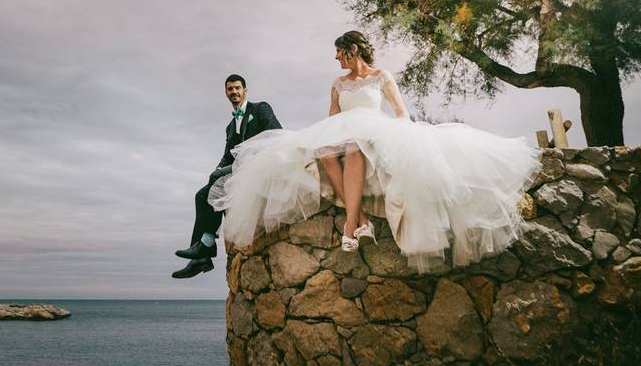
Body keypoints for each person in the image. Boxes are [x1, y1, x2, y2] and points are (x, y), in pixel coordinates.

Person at [212, 31, 542, 272]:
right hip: (344, 130)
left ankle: (350, 225)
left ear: (352, 50)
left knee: (356, 148)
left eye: (339, 52)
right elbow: (333, 117)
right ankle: (362, 221)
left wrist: (397, 133)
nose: (336, 58)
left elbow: (401, 112)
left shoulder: (382, 77)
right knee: (326, 151)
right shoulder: (338, 83)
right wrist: (329, 133)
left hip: (373, 129)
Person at [171, 74, 281, 279]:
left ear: (245, 90)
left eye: (237, 88)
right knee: (202, 195)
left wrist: (245, 160)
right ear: (226, 93)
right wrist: (218, 169)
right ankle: (201, 254)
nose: (234, 92)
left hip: (261, 167)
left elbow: (276, 135)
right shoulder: (230, 126)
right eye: (230, 89)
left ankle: (204, 250)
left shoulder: (260, 109)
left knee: (210, 191)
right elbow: (227, 156)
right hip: (239, 171)